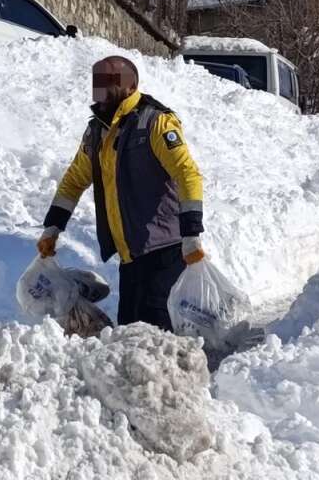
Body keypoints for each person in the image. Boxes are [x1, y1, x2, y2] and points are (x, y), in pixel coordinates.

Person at [36, 55, 205, 331]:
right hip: (130, 257)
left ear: (131, 85)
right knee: (130, 333)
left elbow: (188, 175)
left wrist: (191, 232)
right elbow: (73, 181)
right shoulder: (96, 132)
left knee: (157, 334)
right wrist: (52, 227)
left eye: (110, 81)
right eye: (98, 81)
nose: (101, 88)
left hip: (165, 252)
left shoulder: (155, 123)